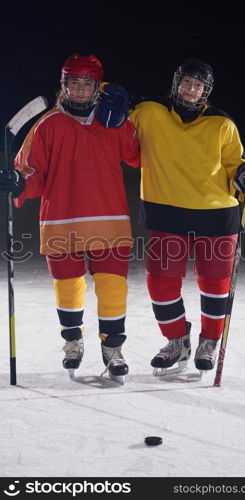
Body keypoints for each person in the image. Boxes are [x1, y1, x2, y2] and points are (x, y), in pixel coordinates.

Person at [96, 58, 245, 376]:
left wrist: (244, 175)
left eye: (198, 85)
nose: (191, 89)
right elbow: (124, 143)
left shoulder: (221, 123)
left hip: (217, 215)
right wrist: (110, 97)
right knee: (160, 286)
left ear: (206, 91)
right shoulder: (148, 112)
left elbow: (233, 164)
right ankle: (177, 340)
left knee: (215, 287)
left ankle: (209, 341)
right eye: (187, 82)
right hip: (166, 214)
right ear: (175, 84)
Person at [0, 54, 140, 383]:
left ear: (97, 87)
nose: (79, 90)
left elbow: (137, 156)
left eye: (86, 84)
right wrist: (19, 182)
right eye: (73, 83)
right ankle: (73, 342)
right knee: (68, 287)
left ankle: (113, 348)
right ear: (63, 85)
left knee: (112, 288)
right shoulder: (47, 125)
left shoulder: (112, 121)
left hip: (110, 220)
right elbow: (32, 174)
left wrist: (126, 121)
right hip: (62, 220)